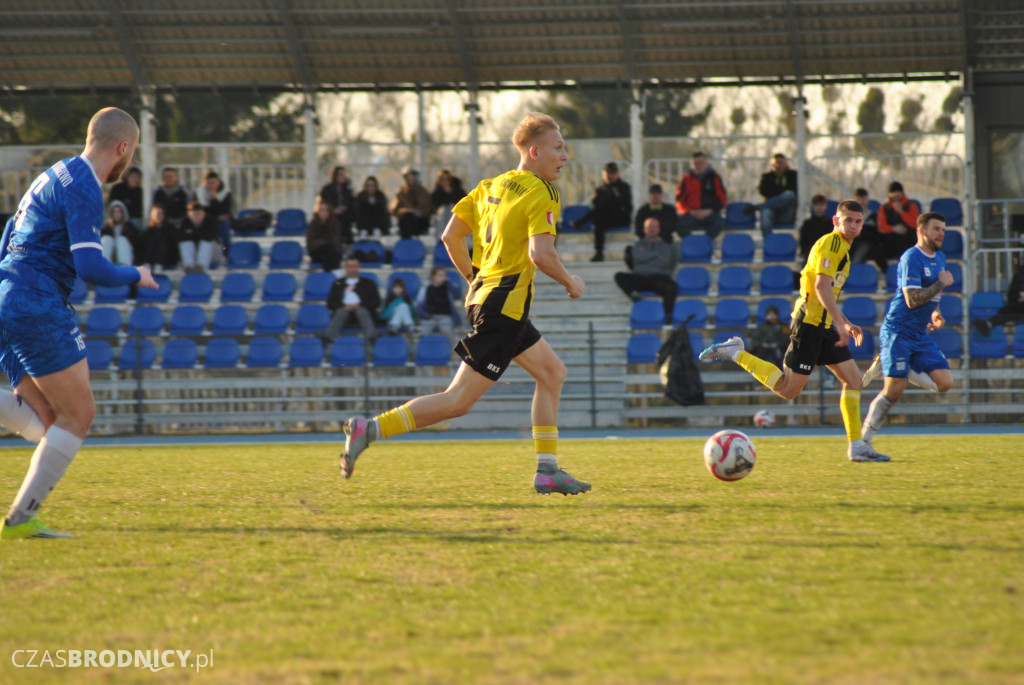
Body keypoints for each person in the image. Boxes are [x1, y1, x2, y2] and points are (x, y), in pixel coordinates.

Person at [338, 112, 591, 496]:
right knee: (457, 403)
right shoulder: (542, 191)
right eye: (559, 148)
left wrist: (475, 277)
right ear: (534, 151)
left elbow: (449, 237)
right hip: (503, 308)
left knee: (553, 373)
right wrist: (571, 281)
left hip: (490, 301)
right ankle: (370, 428)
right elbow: (541, 254)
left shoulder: (490, 186)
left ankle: (548, 469)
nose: (565, 156)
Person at [0, 107, 157, 540]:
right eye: (132, 152)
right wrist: (135, 275)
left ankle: (20, 520)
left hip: (8, 295)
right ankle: (21, 520)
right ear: (123, 148)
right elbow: (90, 266)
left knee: (49, 420)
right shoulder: (86, 185)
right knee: (80, 413)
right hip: (37, 301)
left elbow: (8, 234)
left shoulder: (52, 173)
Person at [698, 200, 891, 463]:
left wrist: (843, 321)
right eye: (849, 220)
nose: (854, 225)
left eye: (858, 221)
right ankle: (736, 353)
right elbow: (821, 288)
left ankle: (857, 446)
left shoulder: (842, 247)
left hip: (824, 325)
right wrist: (838, 322)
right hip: (810, 325)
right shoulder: (832, 244)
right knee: (789, 390)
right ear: (836, 221)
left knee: (854, 381)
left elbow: (825, 292)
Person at [860, 212, 955, 447]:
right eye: (936, 229)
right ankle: (865, 438)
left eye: (943, 229)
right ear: (922, 231)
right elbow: (912, 299)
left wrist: (935, 311)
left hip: (919, 333)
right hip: (898, 331)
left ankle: (888, 363)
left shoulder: (940, 257)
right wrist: (941, 283)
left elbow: (931, 295)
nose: (941, 233)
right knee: (894, 390)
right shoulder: (911, 258)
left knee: (944, 383)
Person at [614, 217, 679, 326]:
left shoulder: (666, 246)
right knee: (619, 276)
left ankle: (668, 315)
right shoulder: (637, 245)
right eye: (649, 227)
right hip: (640, 277)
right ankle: (633, 294)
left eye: (654, 227)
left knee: (672, 287)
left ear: (659, 229)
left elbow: (664, 262)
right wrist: (655, 255)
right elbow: (638, 258)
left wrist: (645, 257)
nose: (652, 229)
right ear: (644, 229)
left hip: (659, 277)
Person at [572, 161, 632, 262]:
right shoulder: (600, 189)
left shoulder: (624, 187)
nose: (610, 176)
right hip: (605, 219)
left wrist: (615, 194)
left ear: (617, 174)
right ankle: (599, 252)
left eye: (612, 173)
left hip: (620, 217)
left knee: (607, 200)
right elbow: (596, 205)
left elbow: (626, 206)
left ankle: (582, 220)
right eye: (608, 173)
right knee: (599, 219)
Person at [320, 257, 381, 343]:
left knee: (361, 311)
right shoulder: (337, 284)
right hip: (344, 318)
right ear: (345, 267)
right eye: (349, 266)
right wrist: (345, 307)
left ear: (359, 267)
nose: (352, 269)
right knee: (342, 311)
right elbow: (330, 303)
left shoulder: (369, 283)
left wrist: (359, 305)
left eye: (355, 266)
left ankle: (370, 338)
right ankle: (328, 338)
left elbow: (376, 302)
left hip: (363, 316)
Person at [675, 151, 728, 240]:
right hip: (691, 214)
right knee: (679, 225)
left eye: (701, 163)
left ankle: (705, 243)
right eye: (695, 163)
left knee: (719, 223)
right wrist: (690, 211)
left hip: (709, 214)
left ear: (706, 163)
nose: (698, 166)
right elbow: (679, 201)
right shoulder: (686, 179)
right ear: (691, 165)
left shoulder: (714, 177)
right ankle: (692, 245)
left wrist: (710, 211)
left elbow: (723, 199)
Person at [745, 153, 797, 236]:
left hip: (786, 212)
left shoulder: (793, 175)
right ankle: (768, 243)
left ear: (786, 163)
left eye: (781, 163)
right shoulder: (767, 177)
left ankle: (758, 207)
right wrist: (781, 192)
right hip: (771, 212)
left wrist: (775, 191)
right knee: (765, 211)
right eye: (776, 163)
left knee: (789, 195)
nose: (778, 165)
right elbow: (763, 191)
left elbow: (793, 191)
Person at [874, 181, 918, 271]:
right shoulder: (884, 208)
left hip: (909, 240)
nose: (896, 194)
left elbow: (914, 224)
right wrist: (894, 229)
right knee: (876, 251)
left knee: (903, 239)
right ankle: (888, 272)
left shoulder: (911, 206)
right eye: (893, 192)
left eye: (898, 192)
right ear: (890, 194)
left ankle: (906, 270)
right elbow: (881, 227)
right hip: (891, 240)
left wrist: (901, 212)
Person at [973, 265, 1024, 336]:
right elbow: (1013, 294)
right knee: (1008, 311)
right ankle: (988, 324)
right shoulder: (1019, 276)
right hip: (1018, 307)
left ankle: (988, 324)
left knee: (1012, 312)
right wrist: (1019, 296)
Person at [417, 266, 462, 345]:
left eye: (444, 275)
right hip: (429, 317)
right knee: (422, 335)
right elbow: (419, 303)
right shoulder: (426, 287)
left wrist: (449, 283)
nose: (443, 278)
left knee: (449, 335)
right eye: (440, 276)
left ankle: (452, 355)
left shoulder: (448, 287)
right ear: (433, 277)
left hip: (444, 316)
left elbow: (457, 295)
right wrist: (425, 315)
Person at [196, 170, 233, 258]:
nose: (211, 185)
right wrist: (215, 215)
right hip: (205, 221)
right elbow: (200, 210)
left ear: (218, 183)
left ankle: (226, 254)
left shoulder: (226, 193)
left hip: (219, 222)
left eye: (213, 183)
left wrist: (214, 199)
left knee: (224, 224)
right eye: (208, 183)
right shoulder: (199, 193)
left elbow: (224, 212)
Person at [176, 201, 220, 273]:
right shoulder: (184, 223)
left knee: (205, 242)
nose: (197, 216)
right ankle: (188, 266)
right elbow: (180, 237)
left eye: (199, 213)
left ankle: (201, 266)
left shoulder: (211, 221)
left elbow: (210, 236)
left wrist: (193, 233)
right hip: (194, 253)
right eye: (194, 214)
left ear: (204, 213)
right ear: (189, 214)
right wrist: (197, 234)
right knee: (186, 242)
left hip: (213, 253)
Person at [306, 196, 346, 273]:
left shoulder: (335, 224)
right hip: (317, 252)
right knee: (327, 251)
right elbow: (311, 242)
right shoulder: (313, 224)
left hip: (331, 251)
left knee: (329, 252)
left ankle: (326, 274)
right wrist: (325, 243)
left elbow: (336, 241)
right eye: (321, 210)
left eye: (326, 210)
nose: (323, 212)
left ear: (329, 212)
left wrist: (324, 243)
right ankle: (333, 274)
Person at [392, 166, 433, 239]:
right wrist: (406, 211)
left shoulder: (423, 192)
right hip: (406, 221)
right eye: (408, 177)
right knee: (407, 218)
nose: (410, 179)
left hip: (420, 221)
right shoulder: (401, 192)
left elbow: (428, 209)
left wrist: (417, 212)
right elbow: (394, 210)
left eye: (412, 176)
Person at [138, 204, 178, 272]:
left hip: (166, 259)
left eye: (161, 214)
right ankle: (147, 264)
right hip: (149, 260)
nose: (158, 216)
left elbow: (173, 247)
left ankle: (158, 264)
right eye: (156, 213)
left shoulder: (170, 230)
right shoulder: (148, 231)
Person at [100, 200, 140, 266]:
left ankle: (124, 268)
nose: (117, 214)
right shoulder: (106, 229)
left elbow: (136, 245)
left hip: (126, 257)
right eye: (114, 212)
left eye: (119, 212)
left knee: (121, 240)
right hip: (111, 259)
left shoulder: (130, 227)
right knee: (107, 239)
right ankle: (104, 266)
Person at [850, 187, 882, 268]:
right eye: (859, 199)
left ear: (867, 200)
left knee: (862, 250)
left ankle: (852, 271)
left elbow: (876, 234)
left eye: (863, 199)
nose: (861, 202)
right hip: (853, 242)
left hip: (868, 244)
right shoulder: (849, 217)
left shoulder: (874, 216)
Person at [319, 166, 355, 239]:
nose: (343, 177)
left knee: (346, 219)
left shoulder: (347, 190)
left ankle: (347, 240)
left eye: (344, 175)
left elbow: (351, 203)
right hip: (332, 214)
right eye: (340, 174)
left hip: (345, 214)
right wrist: (333, 210)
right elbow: (325, 203)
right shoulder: (327, 189)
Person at [430, 169, 467, 236]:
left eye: (447, 179)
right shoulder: (437, 192)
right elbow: (434, 204)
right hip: (441, 216)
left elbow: (463, 201)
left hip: (456, 215)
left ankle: (452, 233)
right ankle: (441, 234)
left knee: (452, 208)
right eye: (442, 179)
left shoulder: (458, 190)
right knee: (443, 210)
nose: (445, 182)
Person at [799, 194, 834, 264]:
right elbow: (803, 240)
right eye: (817, 204)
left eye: (821, 204)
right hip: (811, 252)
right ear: (813, 206)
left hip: (826, 252)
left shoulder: (830, 223)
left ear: (825, 206)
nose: (819, 207)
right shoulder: (807, 223)